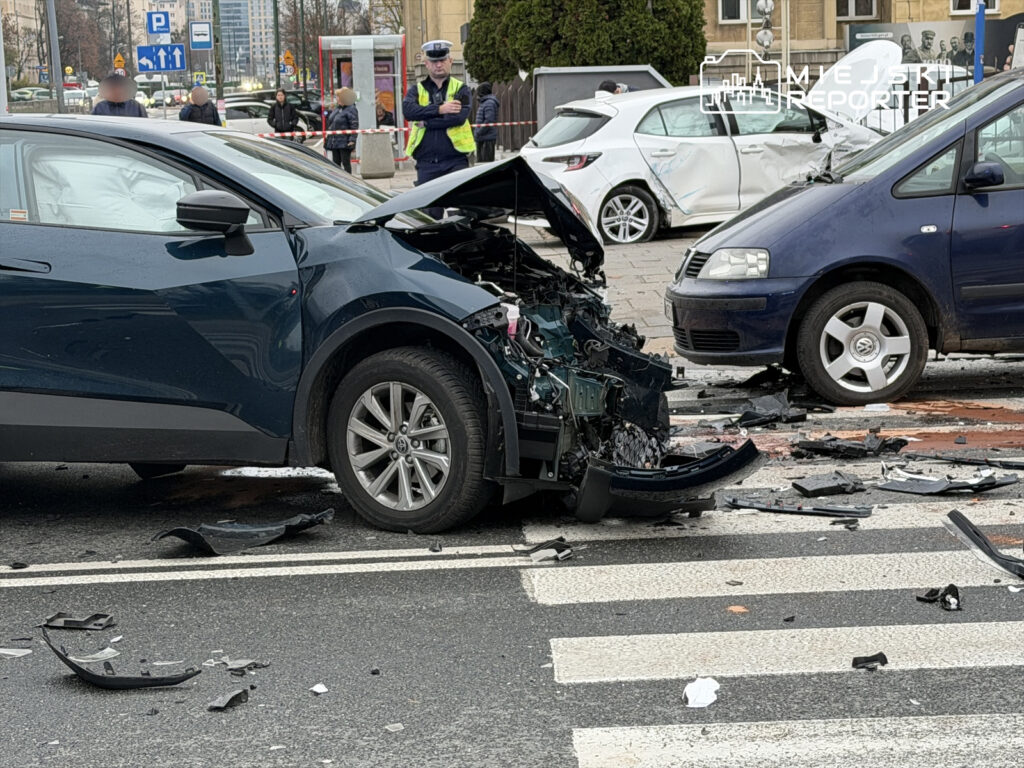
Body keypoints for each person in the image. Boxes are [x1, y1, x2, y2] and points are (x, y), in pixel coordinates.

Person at [402, 39, 475, 185]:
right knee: (429, 208)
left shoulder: (461, 89)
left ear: (450, 61)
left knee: (459, 206)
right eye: (434, 61)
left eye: (442, 60)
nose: (439, 65)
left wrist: (426, 122)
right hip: (426, 163)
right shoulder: (416, 89)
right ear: (426, 64)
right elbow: (408, 112)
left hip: (456, 161)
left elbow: (458, 118)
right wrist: (440, 109)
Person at [325, 87, 358, 173]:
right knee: (336, 163)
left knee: (345, 162)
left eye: (338, 96)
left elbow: (354, 125)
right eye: (337, 96)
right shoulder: (338, 108)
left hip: (344, 141)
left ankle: (349, 181)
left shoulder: (351, 109)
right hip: (335, 140)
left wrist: (352, 139)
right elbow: (331, 120)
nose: (337, 98)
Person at [473, 82, 500, 163]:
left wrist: (479, 132)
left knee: (485, 164)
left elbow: (488, 121)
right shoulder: (485, 102)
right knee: (481, 163)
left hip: (486, 138)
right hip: (483, 137)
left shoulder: (489, 103)